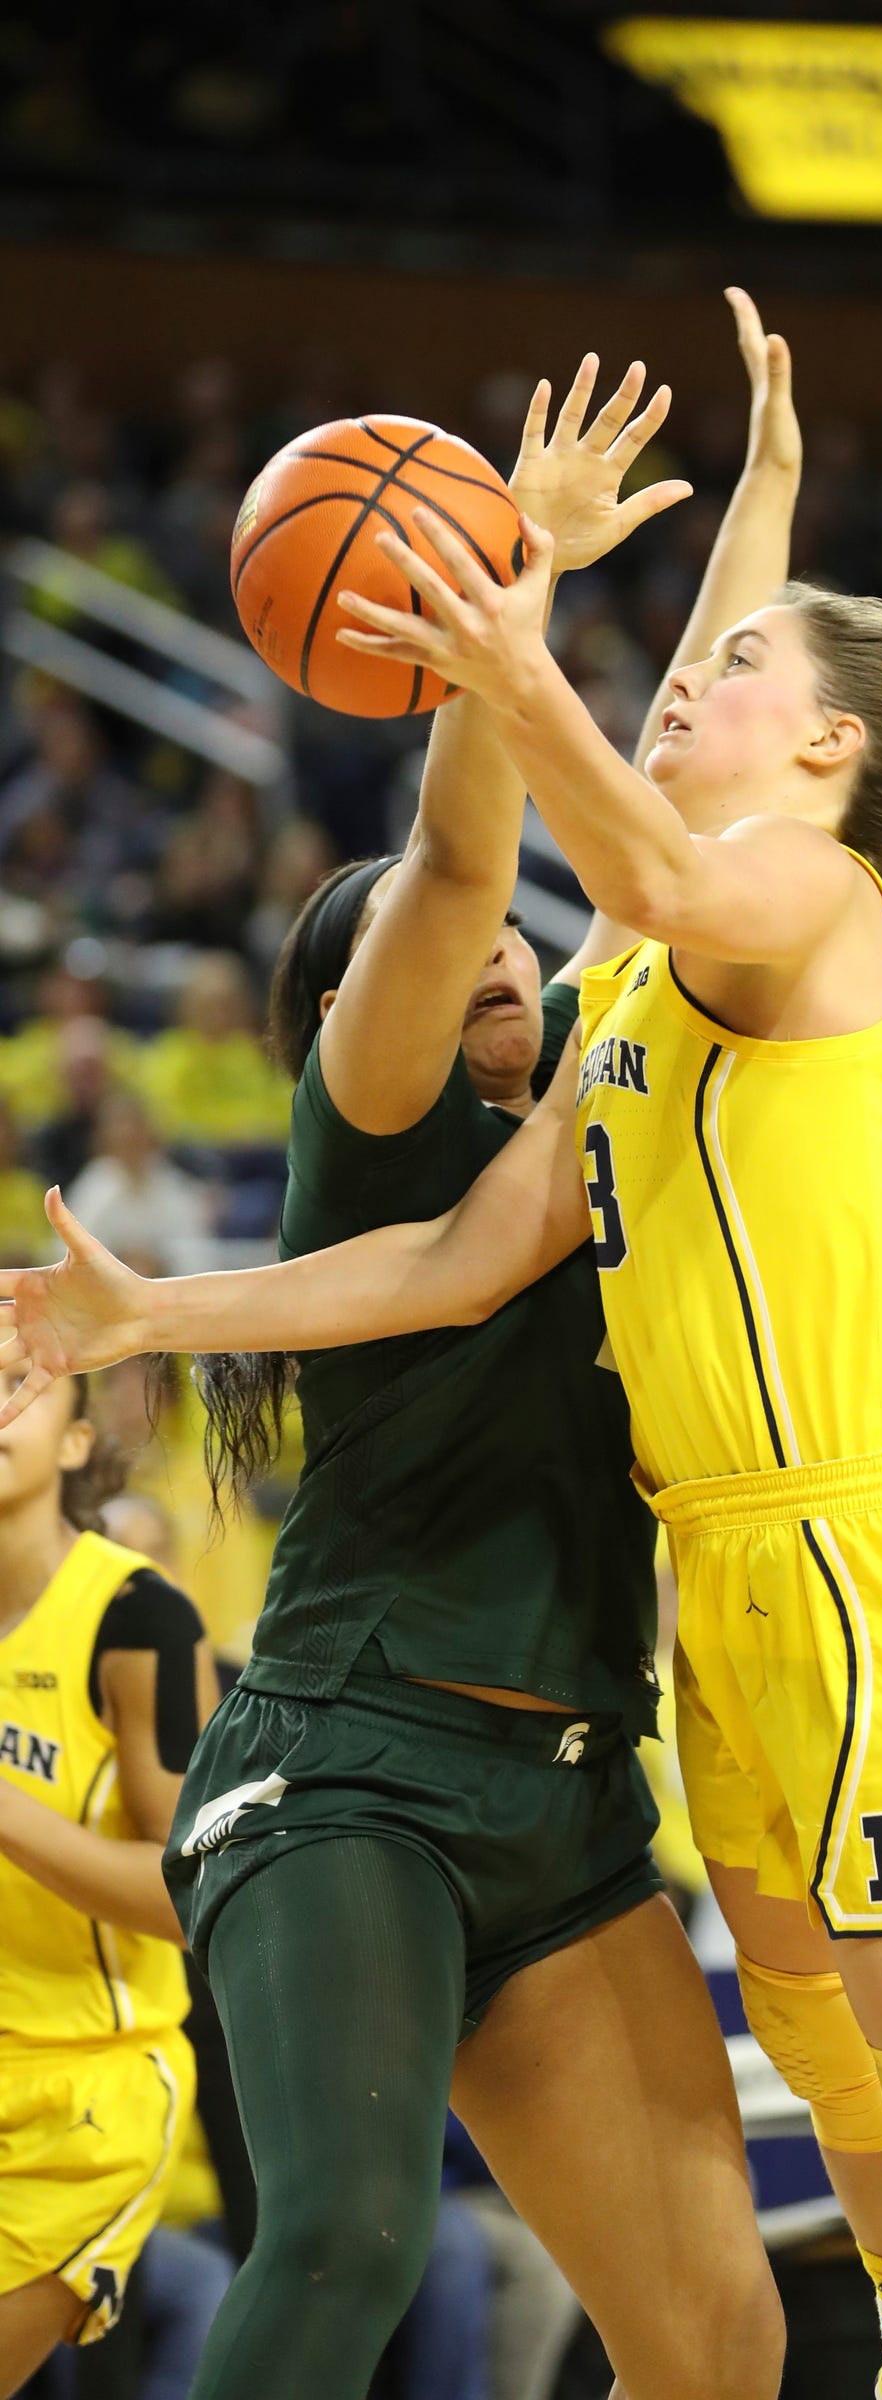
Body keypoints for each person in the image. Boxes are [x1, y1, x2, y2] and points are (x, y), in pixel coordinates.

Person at [0, 344, 882, 2400]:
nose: (683, 679)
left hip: (765, 1619)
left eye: (737, 661)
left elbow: (683, 823)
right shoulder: (508, 1040)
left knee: (874, 2217)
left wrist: (606, 580)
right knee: (691, 2135)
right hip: (554, 1668)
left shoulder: (722, 958)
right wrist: (159, 1315)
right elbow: (472, 1175)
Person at [4, 318, 793, 2400]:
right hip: (347, 1769)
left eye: (532, 940)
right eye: (443, 953)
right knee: (345, 2247)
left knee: (718, 2340)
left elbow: (658, 808)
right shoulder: (370, 1130)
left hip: (567, 1798)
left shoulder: (598, 1113)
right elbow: (459, 857)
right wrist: (502, 602)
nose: (502, 939)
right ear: (347, 1004)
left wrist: (753, 523)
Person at [0, 1366, 219, 2397]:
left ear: (80, 1442)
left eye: (16, 1384)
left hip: (80, 2097)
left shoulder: (138, 1619)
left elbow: (197, 1893)